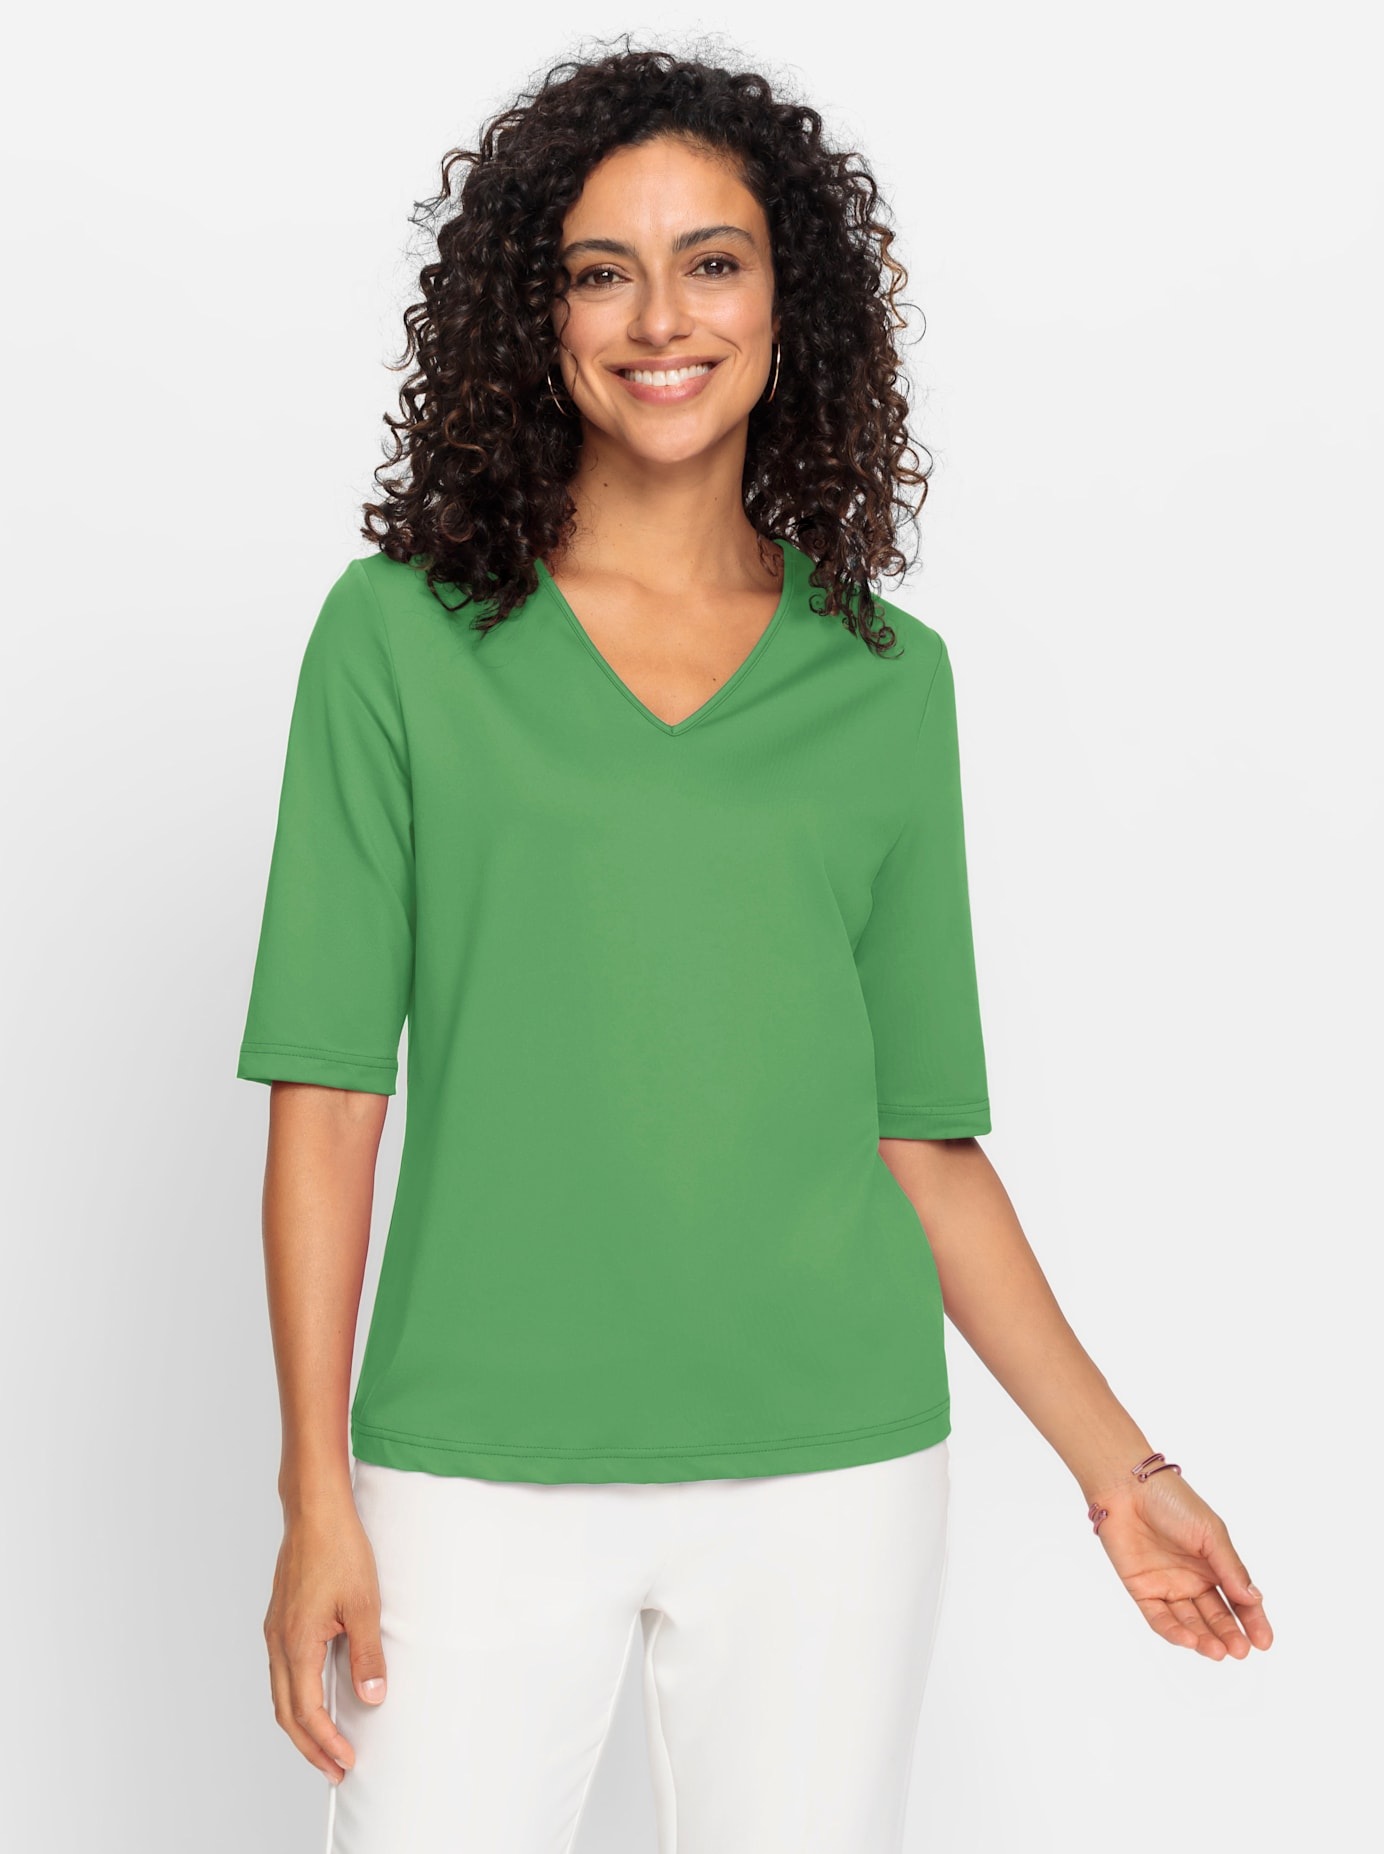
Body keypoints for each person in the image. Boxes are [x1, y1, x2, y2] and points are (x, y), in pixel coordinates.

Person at [236, 43, 1274, 1854]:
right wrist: (315, 1489)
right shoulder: (395, 638)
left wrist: (1123, 1470)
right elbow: (328, 1097)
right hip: (472, 1460)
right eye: (602, 269)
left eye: (712, 261)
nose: (662, 318)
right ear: (535, 311)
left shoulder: (885, 679)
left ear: (792, 303)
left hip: (831, 1473)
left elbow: (922, 1141)